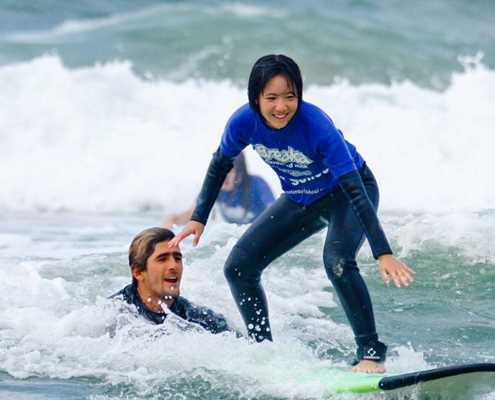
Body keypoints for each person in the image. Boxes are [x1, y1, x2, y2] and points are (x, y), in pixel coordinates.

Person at [169, 54, 414, 373]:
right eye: (271, 98)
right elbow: (220, 163)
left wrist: (382, 252)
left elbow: (355, 188)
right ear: (255, 97)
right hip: (301, 196)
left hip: (347, 191)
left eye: (290, 96)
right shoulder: (243, 122)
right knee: (239, 267)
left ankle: (370, 353)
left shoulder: (316, 125)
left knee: (338, 261)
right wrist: (199, 217)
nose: (281, 106)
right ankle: (262, 351)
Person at [111, 227, 230, 334]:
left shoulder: (199, 318)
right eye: (162, 259)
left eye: (177, 258)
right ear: (138, 272)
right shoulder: (113, 313)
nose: (174, 265)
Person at [163, 153, 276, 227]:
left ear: (240, 174)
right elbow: (191, 215)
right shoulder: (214, 186)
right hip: (233, 238)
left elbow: (275, 215)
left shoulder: (257, 185)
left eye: (228, 171)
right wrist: (172, 221)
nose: (221, 177)